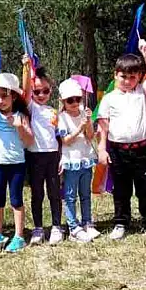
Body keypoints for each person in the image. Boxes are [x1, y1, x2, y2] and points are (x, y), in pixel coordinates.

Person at [97, 40, 146, 239]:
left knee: (145, 187)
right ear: (115, 75)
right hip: (118, 151)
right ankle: (121, 222)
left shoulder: (142, 92)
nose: (127, 81)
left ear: (139, 77)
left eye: (132, 77)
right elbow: (103, 125)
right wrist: (102, 149)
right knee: (121, 189)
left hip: (143, 149)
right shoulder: (109, 98)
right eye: (123, 76)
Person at [0, 72, 34, 253]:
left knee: (16, 199)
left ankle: (19, 236)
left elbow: (29, 141)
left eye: (4, 96)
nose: (0, 101)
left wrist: (19, 127)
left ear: (13, 96)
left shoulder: (22, 116)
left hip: (17, 165)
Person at [22, 59, 63, 245]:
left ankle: (56, 226)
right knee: (37, 193)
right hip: (34, 156)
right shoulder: (31, 107)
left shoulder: (54, 112)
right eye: (37, 91)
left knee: (54, 193)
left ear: (50, 91)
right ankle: (38, 228)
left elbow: (59, 137)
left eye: (45, 91)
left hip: (53, 156)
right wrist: (26, 68)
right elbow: (25, 93)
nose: (41, 95)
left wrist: (62, 157)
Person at [56, 79, 98, 244]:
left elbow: (90, 136)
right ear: (62, 101)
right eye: (70, 100)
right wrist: (80, 127)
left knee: (85, 194)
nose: (74, 103)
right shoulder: (62, 118)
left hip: (85, 159)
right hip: (71, 160)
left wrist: (88, 122)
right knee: (70, 196)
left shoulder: (83, 114)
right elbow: (65, 140)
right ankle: (73, 226)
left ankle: (87, 222)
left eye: (77, 99)